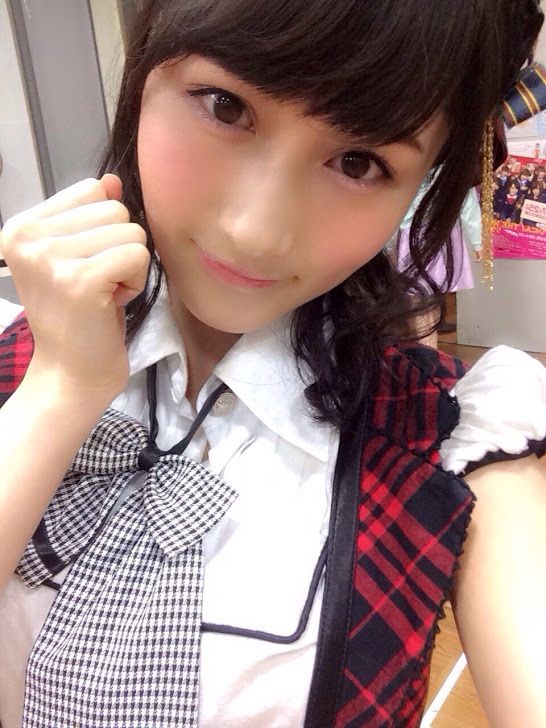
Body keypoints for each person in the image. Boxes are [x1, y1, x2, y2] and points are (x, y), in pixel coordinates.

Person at [0, 1, 545, 727]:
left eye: (359, 162)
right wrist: (58, 391)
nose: (253, 232)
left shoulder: (451, 442)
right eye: (225, 106)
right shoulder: (15, 354)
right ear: (143, 64)